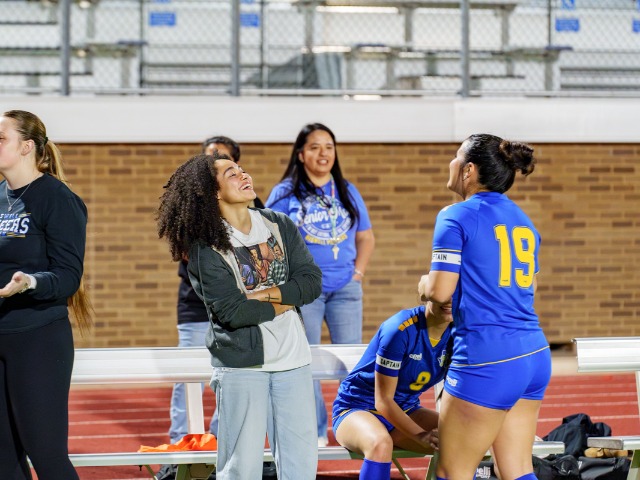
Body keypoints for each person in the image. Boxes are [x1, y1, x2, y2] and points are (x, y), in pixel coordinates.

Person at [157, 152, 321, 480]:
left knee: (301, 468)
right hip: (243, 367)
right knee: (240, 470)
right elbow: (233, 312)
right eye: (231, 173)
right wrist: (286, 299)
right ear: (213, 192)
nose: (244, 175)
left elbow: (311, 282)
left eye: (242, 169)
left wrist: (262, 295)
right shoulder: (206, 249)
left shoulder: (278, 224)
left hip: (294, 361)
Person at [417, 134, 551, 480]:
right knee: (517, 470)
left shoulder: (455, 215)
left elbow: (440, 292)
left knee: (452, 472)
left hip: (487, 357)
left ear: (469, 170)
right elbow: (531, 287)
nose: (451, 163)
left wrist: (424, 285)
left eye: (456, 156)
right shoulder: (523, 219)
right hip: (533, 354)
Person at [161, 136, 274, 480]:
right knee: (188, 381)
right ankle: (180, 452)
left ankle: (224, 447)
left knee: (233, 379)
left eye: (226, 159)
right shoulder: (189, 205)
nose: (216, 161)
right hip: (197, 307)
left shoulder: (250, 201)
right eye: (210, 157)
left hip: (239, 307)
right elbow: (191, 254)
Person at [265, 123, 375, 446]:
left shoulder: (346, 190)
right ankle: (314, 430)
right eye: (314, 147)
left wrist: (358, 274)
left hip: (345, 289)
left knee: (351, 361)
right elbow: (268, 241)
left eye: (329, 146)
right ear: (301, 155)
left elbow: (366, 237)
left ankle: (352, 426)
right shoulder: (284, 193)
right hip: (305, 291)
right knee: (306, 360)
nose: (323, 153)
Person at [0, 110, 92, 480]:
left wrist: (30, 282)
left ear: (26, 147)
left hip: (37, 338)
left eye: (0, 138)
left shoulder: (57, 198)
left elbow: (69, 276)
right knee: (3, 461)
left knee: (47, 456)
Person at [332, 301, 453, 480]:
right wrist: (420, 435)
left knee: (460, 442)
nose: (450, 300)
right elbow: (383, 401)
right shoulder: (400, 329)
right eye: (443, 292)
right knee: (380, 444)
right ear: (427, 293)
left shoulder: (461, 333)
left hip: (406, 410)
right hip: (359, 408)